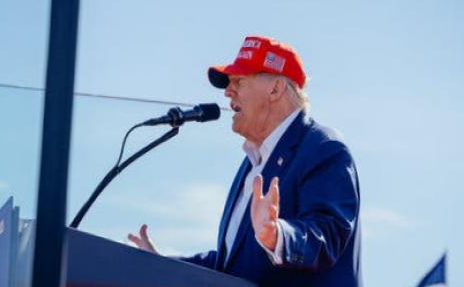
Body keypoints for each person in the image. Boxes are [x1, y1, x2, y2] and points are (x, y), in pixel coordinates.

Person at [128, 36, 362, 286]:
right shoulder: (254, 163)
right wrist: (161, 264)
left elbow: (328, 234)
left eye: (239, 81)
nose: (228, 92)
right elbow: (230, 264)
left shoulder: (323, 148)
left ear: (275, 88)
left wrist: (278, 235)